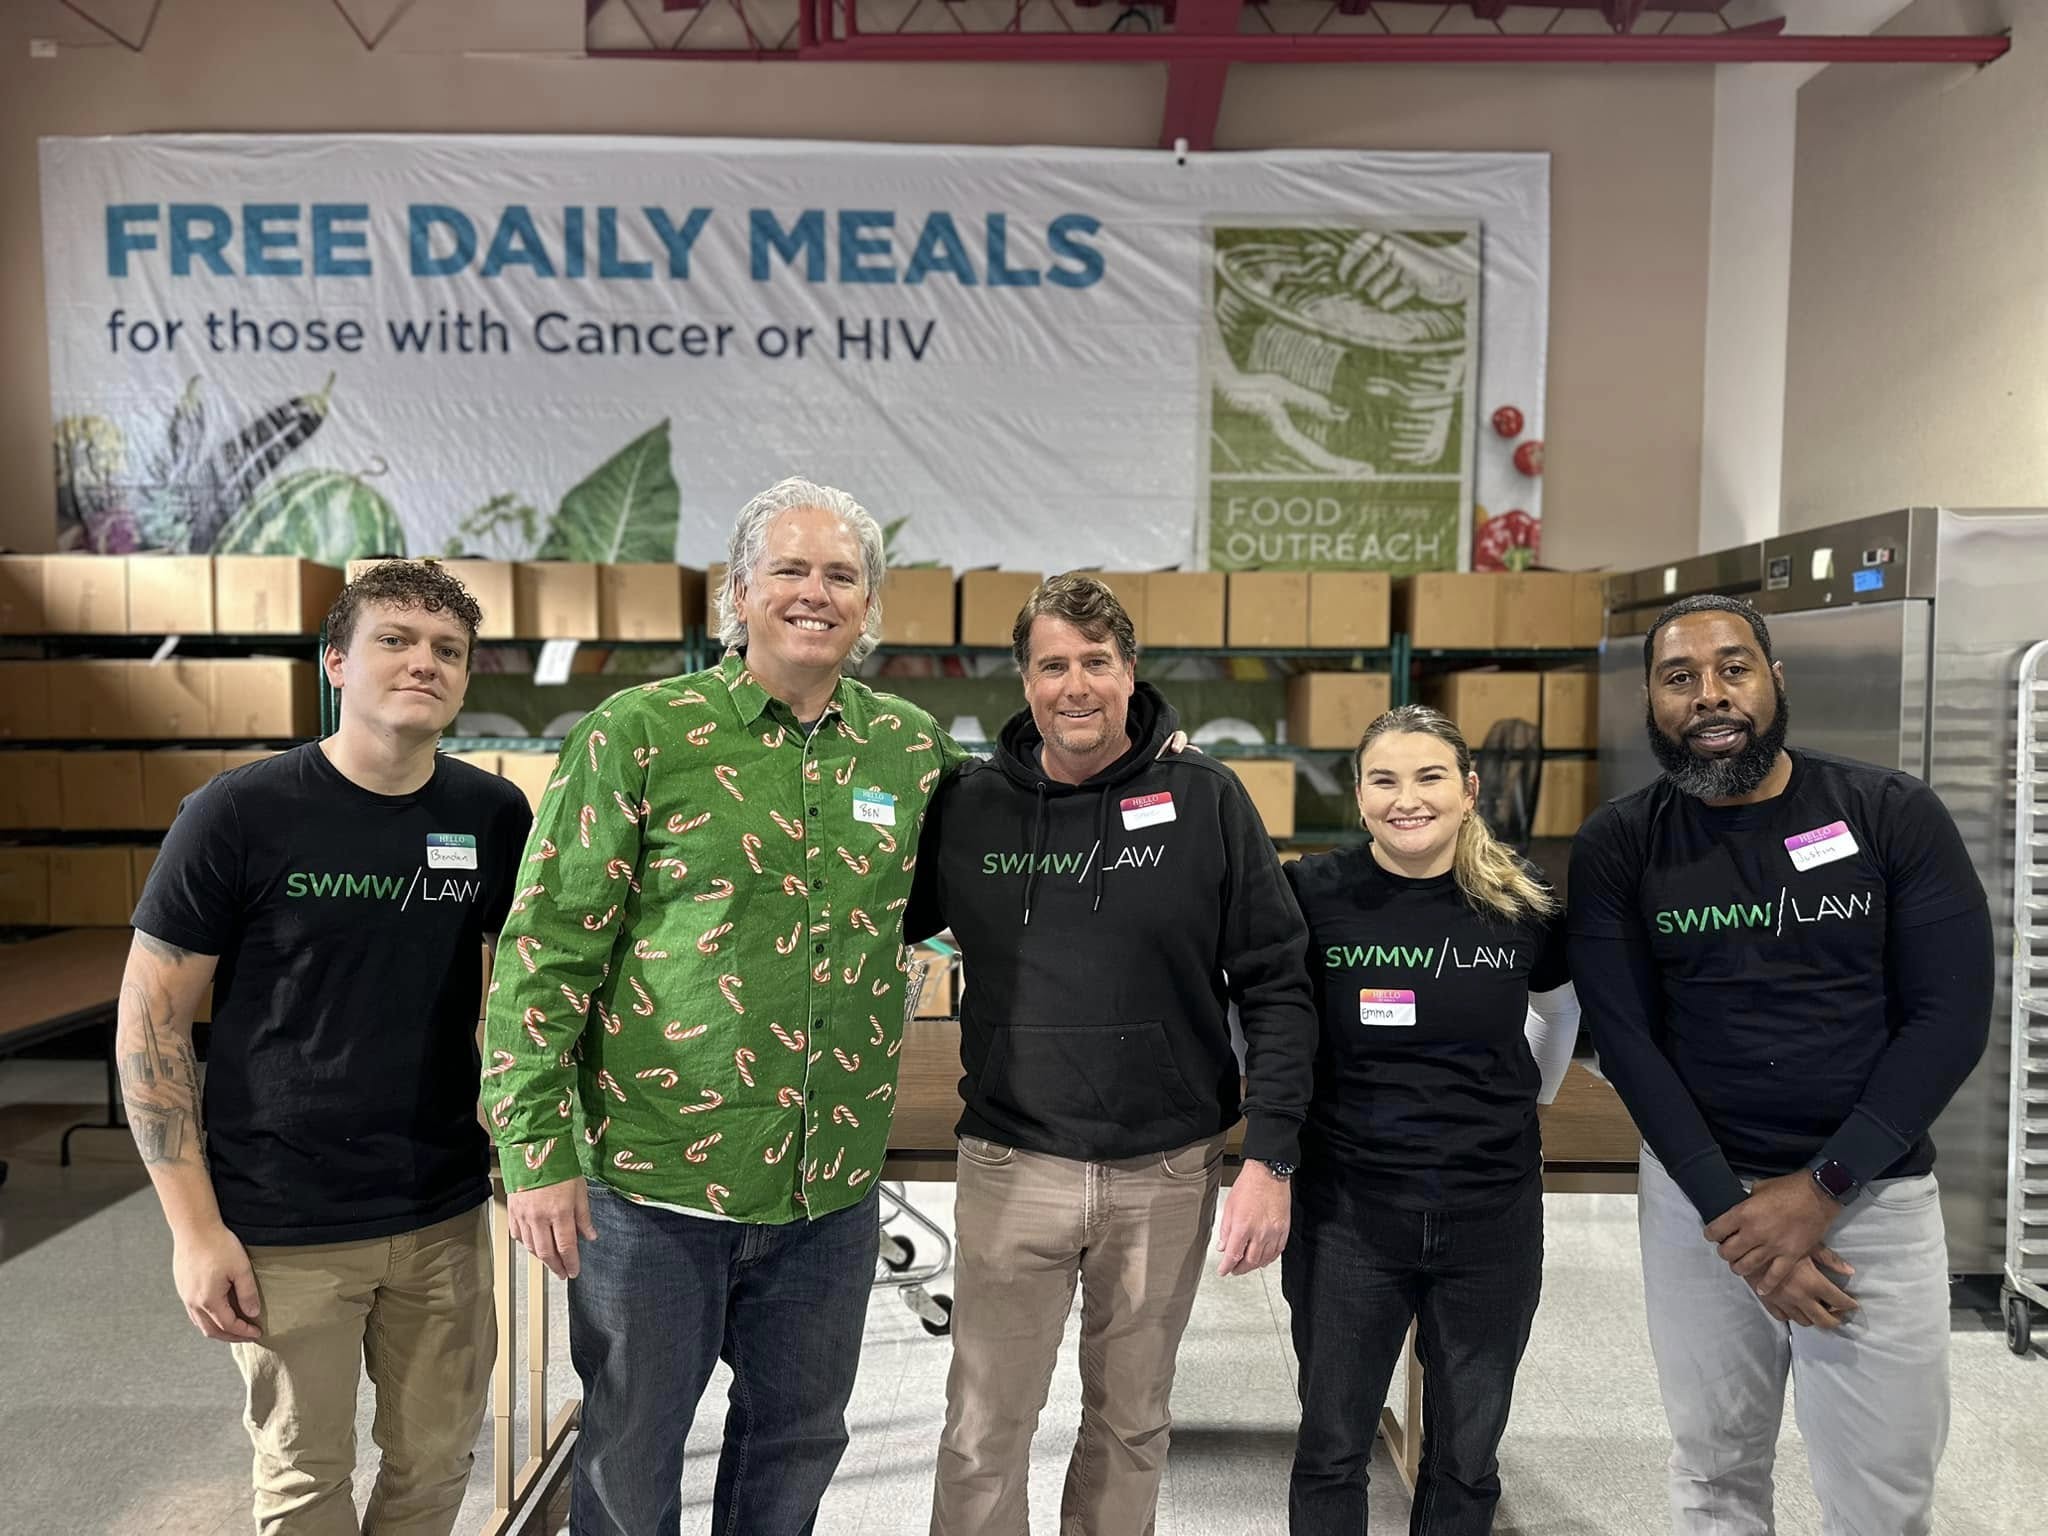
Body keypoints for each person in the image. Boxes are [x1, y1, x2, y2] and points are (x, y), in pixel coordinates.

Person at [483, 477, 974, 1536]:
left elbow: (1027, 829)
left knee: (796, 1443)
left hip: (828, 1187)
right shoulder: (640, 734)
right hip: (653, 1189)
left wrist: (1140, 761)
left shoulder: (908, 749)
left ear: (869, 606)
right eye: (789, 570)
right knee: (630, 1451)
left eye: (840, 574)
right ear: (738, 593)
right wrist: (534, 1152)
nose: (814, 592)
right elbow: (545, 953)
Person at [119, 560, 532, 1535]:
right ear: (337, 662)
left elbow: (526, 995)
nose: (423, 662)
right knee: (304, 1480)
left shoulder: (490, 815)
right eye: (395, 639)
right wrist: (193, 1230)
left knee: (435, 1468)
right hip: (283, 1217)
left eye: (448, 650)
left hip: (440, 1208)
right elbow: (151, 1021)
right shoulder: (239, 813)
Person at [1568, 593, 1993, 1536]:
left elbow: (1950, 1017)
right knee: (1715, 1474)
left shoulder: (1889, 814)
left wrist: (1823, 1190)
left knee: (1883, 1495)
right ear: (1650, 699)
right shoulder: (1620, 845)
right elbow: (1627, 1043)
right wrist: (1732, 1215)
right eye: (1680, 678)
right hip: (1698, 1205)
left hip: (1873, 1201)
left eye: (1733, 668)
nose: (1710, 695)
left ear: (1774, 680)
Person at [908, 572, 1318, 1536]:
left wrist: (1273, 1157)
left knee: (1131, 1422)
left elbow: (1279, 983)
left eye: (1097, 662)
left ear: (1131, 672)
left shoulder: (1208, 798)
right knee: (982, 1428)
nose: (1076, 686)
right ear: (1023, 680)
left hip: (1165, 1170)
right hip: (1014, 1161)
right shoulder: (968, 808)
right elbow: (869, 919)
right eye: (1053, 665)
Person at [1281, 705, 1578, 1534]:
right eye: (1384, 779)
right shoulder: (1313, 893)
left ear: (1469, 790)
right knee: (1334, 1443)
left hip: (1492, 1212)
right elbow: (1260, 1016)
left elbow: (1556, 1010)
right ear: (1360, 794)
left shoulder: (1521, 900)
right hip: (1348, 1213)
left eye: (1429, 776)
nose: (1406, 798)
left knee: (1467, 1453)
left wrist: (1525, 1102)